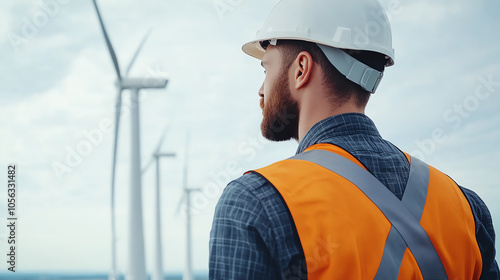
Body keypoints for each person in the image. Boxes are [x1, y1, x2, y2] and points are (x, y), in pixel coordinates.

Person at [209, 0, 499, 279]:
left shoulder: (255, 203)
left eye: (266, 68)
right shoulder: (467, 208)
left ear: (301, 69)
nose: (261, 90)